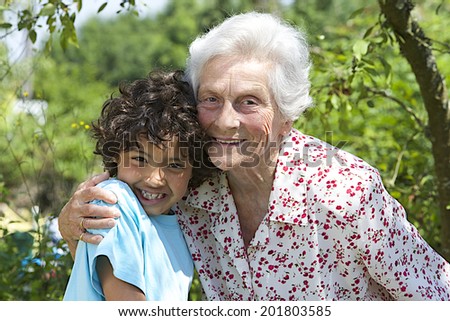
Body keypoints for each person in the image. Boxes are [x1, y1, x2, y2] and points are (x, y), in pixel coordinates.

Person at [58, 12, 450, 300]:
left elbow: (437, 296)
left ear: (286, 116)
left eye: (248, 102)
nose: (225, 121)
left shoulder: (347, 194)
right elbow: (113, 254)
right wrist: (71, 225)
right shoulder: (189, 183)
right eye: (211, 99)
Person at [63, 70, 215, 300]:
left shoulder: (178, 220)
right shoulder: (113, 203)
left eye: (174, 165)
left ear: (194, 169)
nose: (154, 179)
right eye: (140, 159)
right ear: (116, 155)